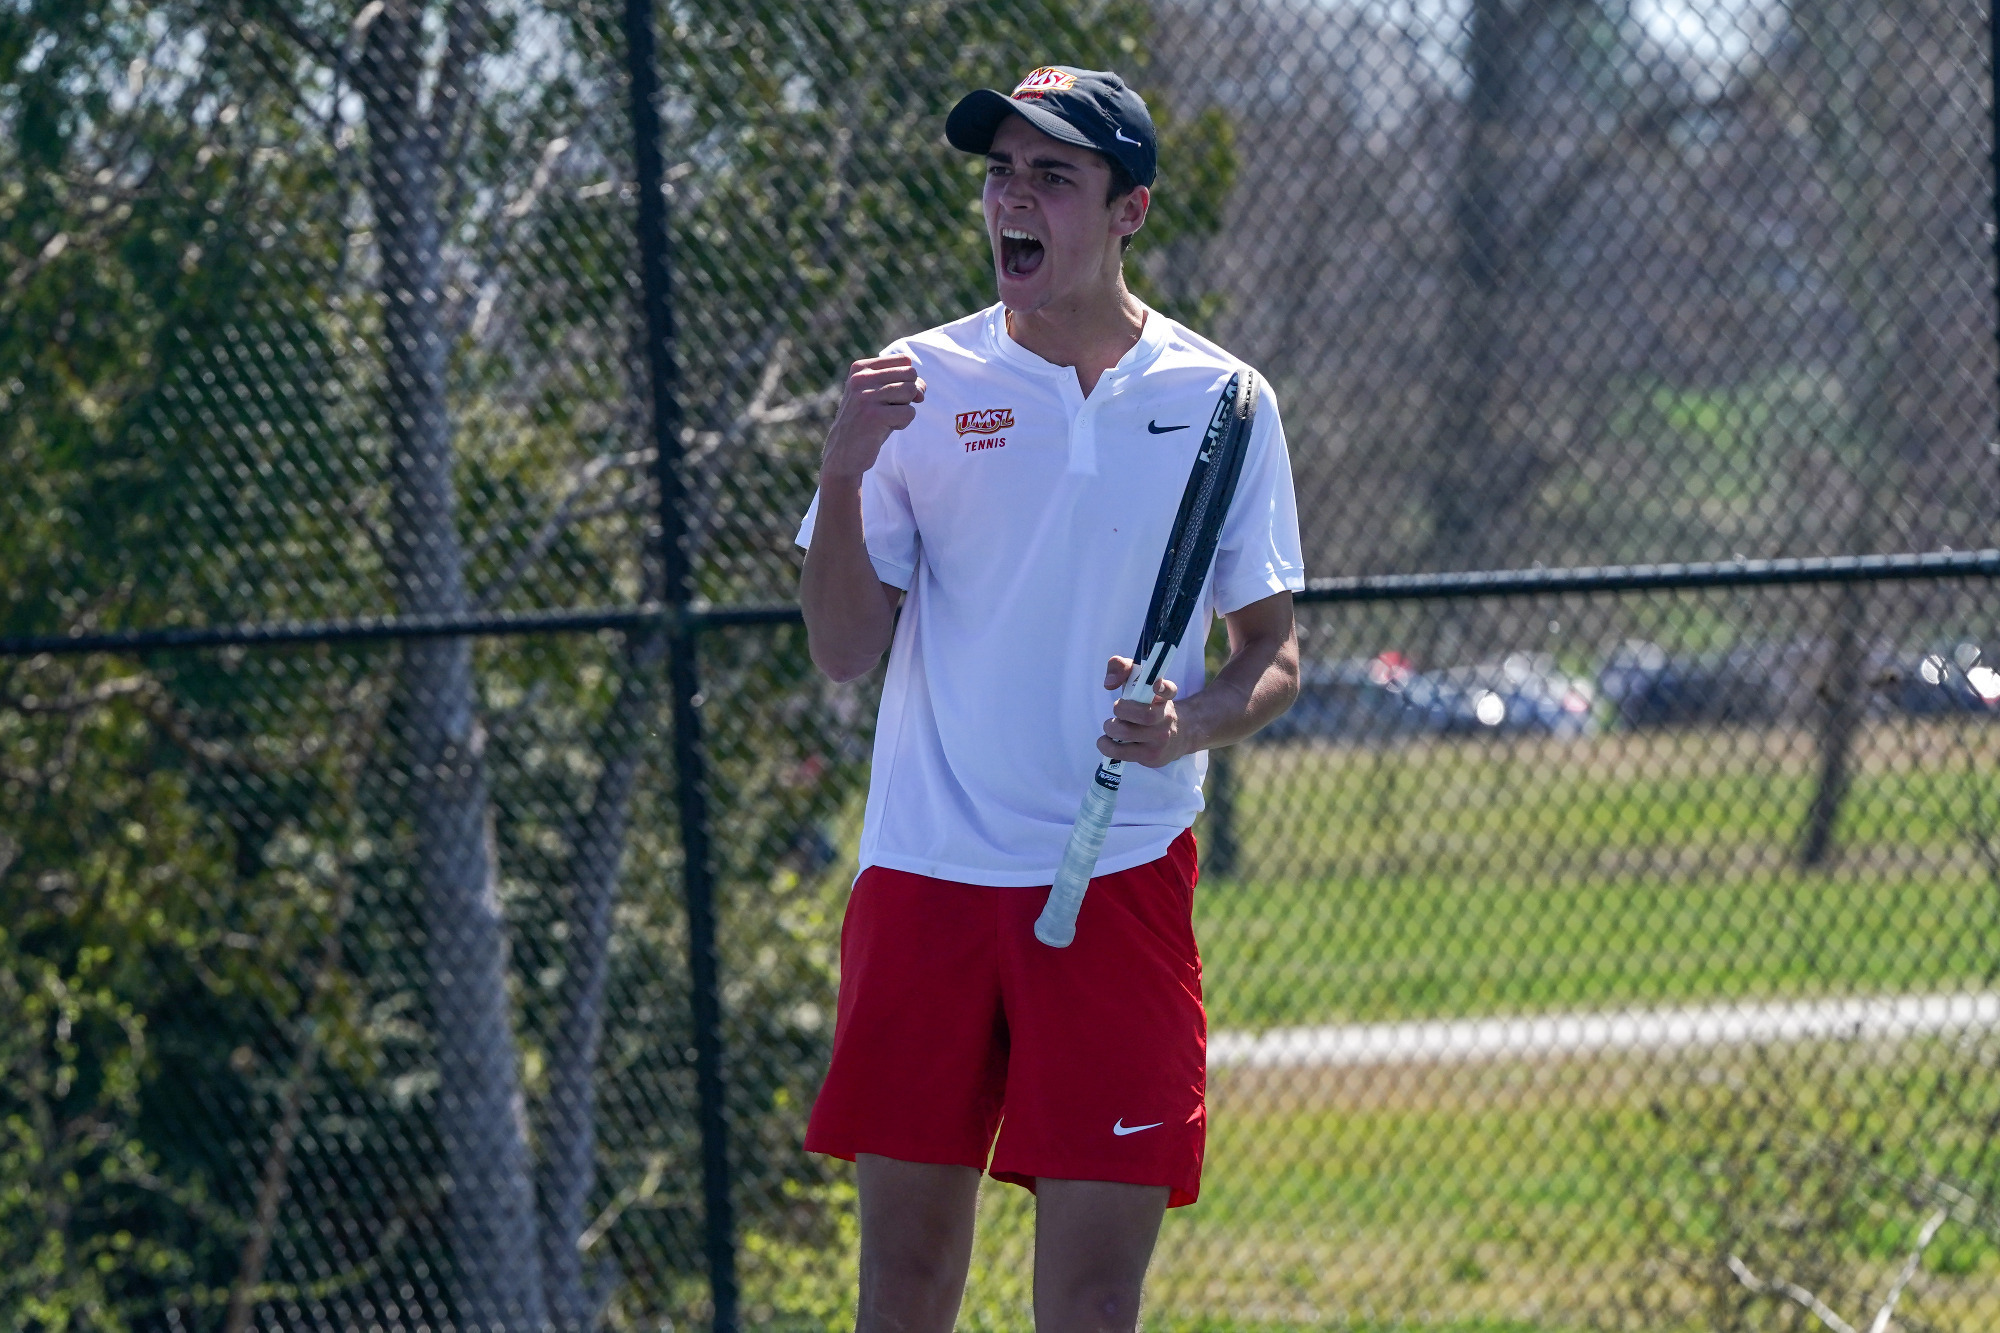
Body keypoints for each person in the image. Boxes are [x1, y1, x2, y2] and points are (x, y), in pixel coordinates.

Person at [796, 64, 1305, 1333]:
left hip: (1120, 879)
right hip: (926, 877)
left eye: (1052, 177)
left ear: (1126, 210)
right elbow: (844, 647)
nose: (1012, 200)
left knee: (1087, 1299)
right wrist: (844, 469)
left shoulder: (1222, 402)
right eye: (1000, 172)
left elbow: (1271, 658)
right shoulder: (910, 387)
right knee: (903, 1289)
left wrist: (1190, 720)